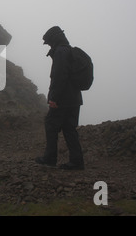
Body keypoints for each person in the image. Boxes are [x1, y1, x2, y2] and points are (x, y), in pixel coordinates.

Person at [35, 26, 84, 170]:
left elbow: (59, 76)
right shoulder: (68, 50)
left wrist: (54, 98)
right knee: (69, 129)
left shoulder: (60, 52)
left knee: (50, 124)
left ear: (53, 39)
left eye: (49, 42)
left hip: (63, 99)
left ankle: (50, 158)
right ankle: (77, 162)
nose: (48, 45)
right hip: (74, 99)